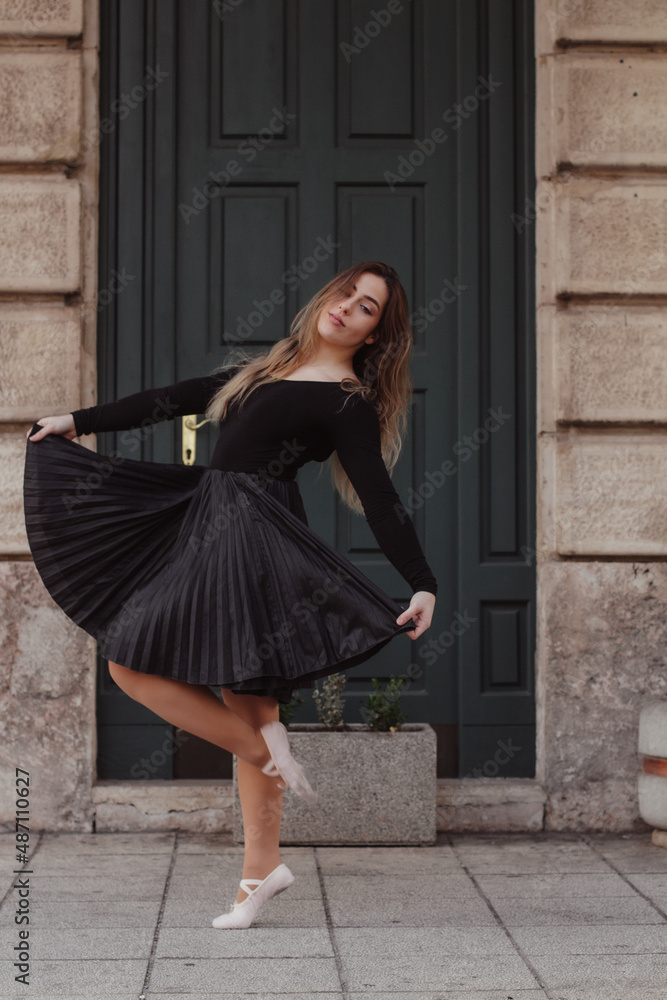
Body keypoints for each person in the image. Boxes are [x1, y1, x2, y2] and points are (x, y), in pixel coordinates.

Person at [23, 260, 437, 928]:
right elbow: (173, 398)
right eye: (345, 292)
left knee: (145, 665)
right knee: (224, 700)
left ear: (372, 335)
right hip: (210, 524)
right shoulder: (272, 366)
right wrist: (79, 419)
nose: (346, 307)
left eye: (366, 308)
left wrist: (423, 581)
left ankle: (257, 847)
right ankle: (261, 849)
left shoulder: (345, 401)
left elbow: (381, 500)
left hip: (251, 540)